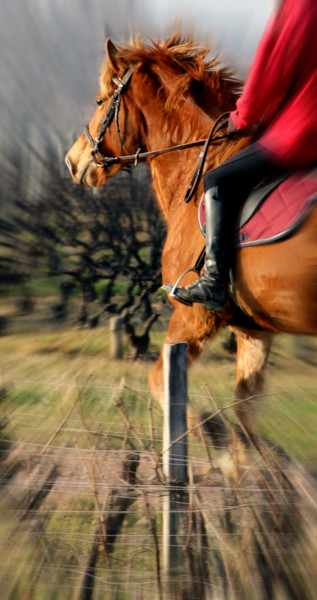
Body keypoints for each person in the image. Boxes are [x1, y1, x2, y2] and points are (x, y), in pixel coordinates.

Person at [165, 0, 317, 312]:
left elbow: (272, 71)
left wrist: (242, 117)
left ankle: (214, 282)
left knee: (217, 178)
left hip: (304, 131)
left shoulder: (300, 6)